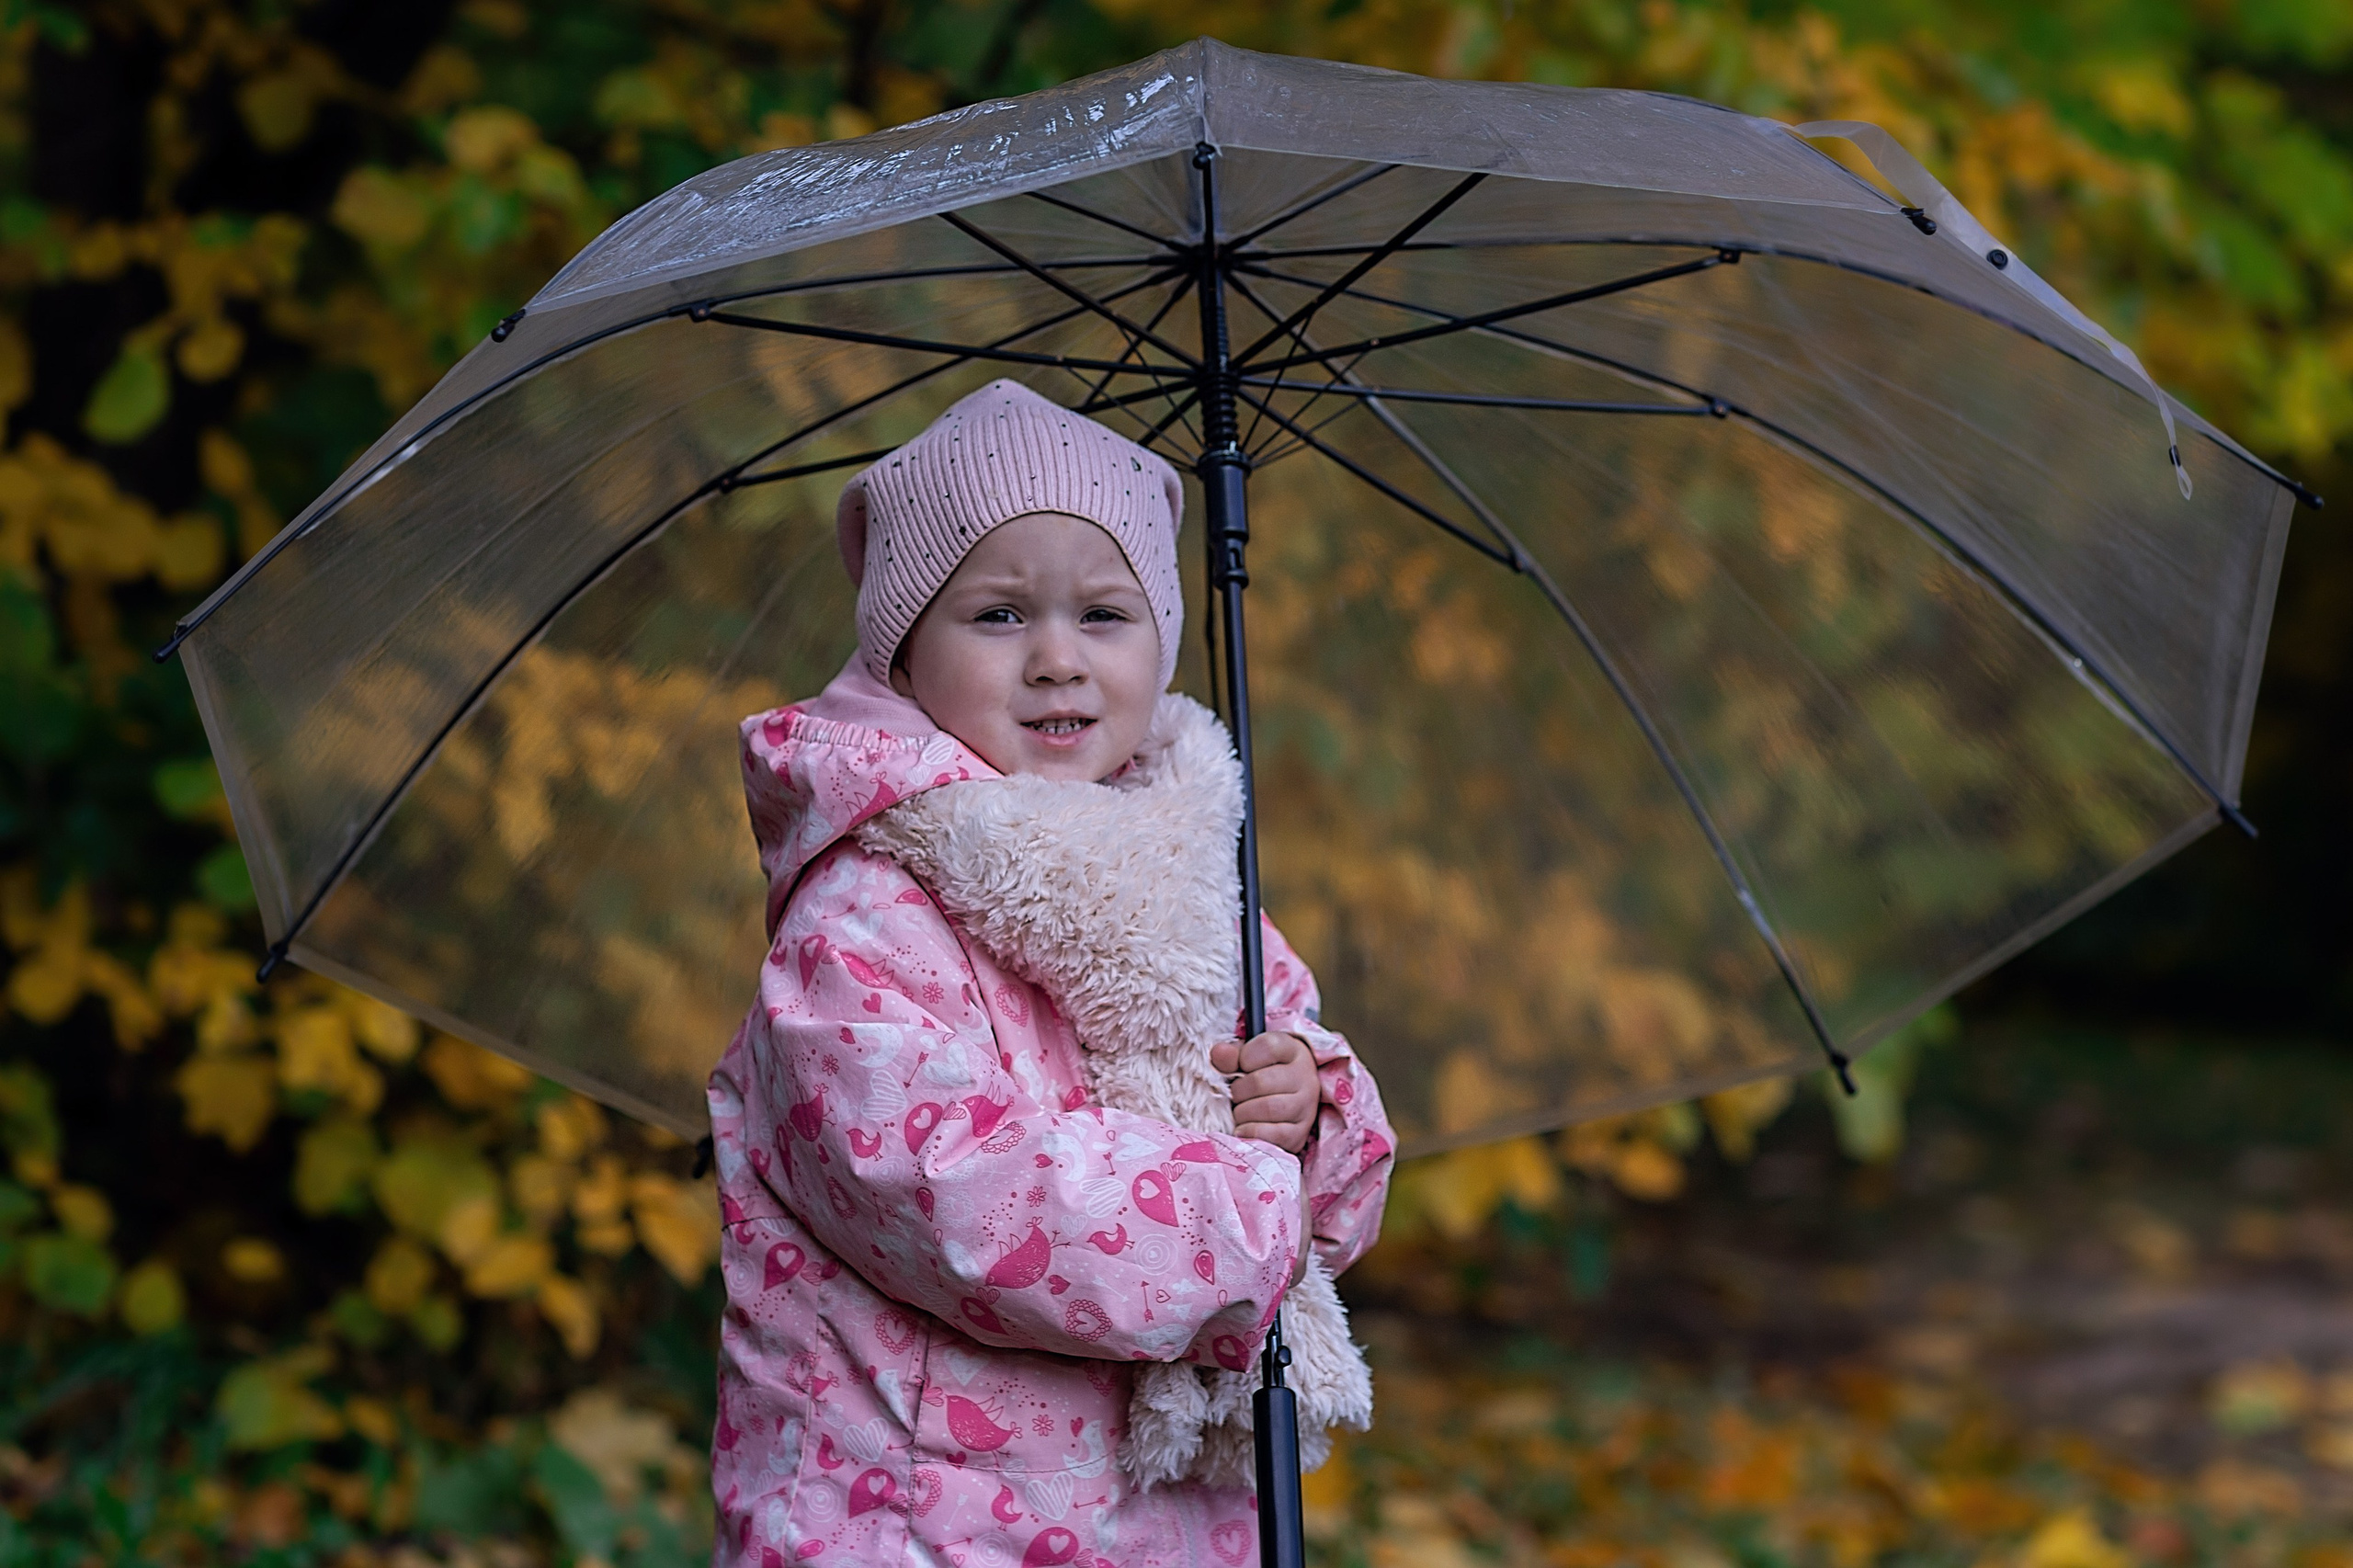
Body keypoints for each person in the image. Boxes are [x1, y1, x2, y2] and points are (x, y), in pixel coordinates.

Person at [707, 380, 1394, 1567]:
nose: (1059, 658)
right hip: (911, 1520)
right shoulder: (858, 918)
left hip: (1165, 1525)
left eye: (1106, 613)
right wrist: (1237, 1208)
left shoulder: (1197, 886)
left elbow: (1302, 1163)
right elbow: (951, 1194)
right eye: (999, 614)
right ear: (907, 645)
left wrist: (1315, 1113)